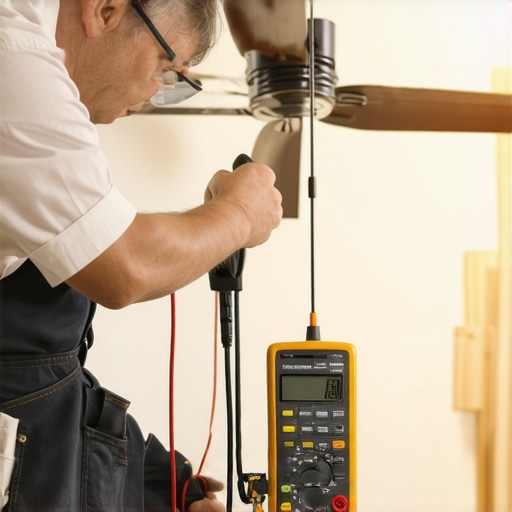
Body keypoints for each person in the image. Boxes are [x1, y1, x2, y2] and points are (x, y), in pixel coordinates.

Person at [0, 0, 283, 511]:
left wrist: (165, 487)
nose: (157, 92)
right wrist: (240, 215)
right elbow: (127, 268)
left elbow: (46, 375)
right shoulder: (12, 61)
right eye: (167, 66)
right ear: (104, 11)